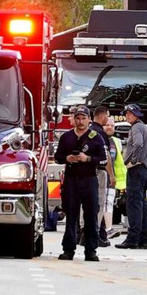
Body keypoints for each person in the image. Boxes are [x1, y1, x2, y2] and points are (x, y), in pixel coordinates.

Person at [53, 105, 107, 261]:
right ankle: (68, 249)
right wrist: (67, 158)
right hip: (71, 180)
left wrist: (87, 159)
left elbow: (103, 159)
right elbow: (58, 157)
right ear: (73, 119)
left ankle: (91, 250)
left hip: (89, 179)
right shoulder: (66, 137)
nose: (81, 121)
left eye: (84, 118)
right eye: (78, 118)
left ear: (89, 119)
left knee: (91, 215)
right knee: (71, 215)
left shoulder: (96, 137)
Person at [116, 104, 147, 250]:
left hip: (136, 170)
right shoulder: (143, 127)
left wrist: (132, 160)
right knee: (142, 204)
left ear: (136, 114)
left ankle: (132, 238)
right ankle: (143, 239)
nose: (128, 116)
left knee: (134, 204)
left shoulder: (136, 128)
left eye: (130, 113)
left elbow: (137, 144)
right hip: (144, 170)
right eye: (127, 113)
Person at [90, 106, 116, 247]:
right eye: (107, 116)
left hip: (87, 173)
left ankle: (97, 234)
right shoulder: (101, 133)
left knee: (89, 205)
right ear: (102, 116)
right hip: (99, 172)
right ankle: (97, 236)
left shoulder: (88, 131)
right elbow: (106, 158)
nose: (107, 120)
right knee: (99, 205)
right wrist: (111, 175)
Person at [104, 116, 126, 239]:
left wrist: (120, 180)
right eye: (107, 125)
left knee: (108, 204)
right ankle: (105, 229)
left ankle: (108, 229)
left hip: (112, 180)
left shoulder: (116, 142)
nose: (110, 127)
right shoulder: (98, 138)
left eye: (112, 126)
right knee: (101, 205)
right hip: (100, 178)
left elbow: (119, 162)